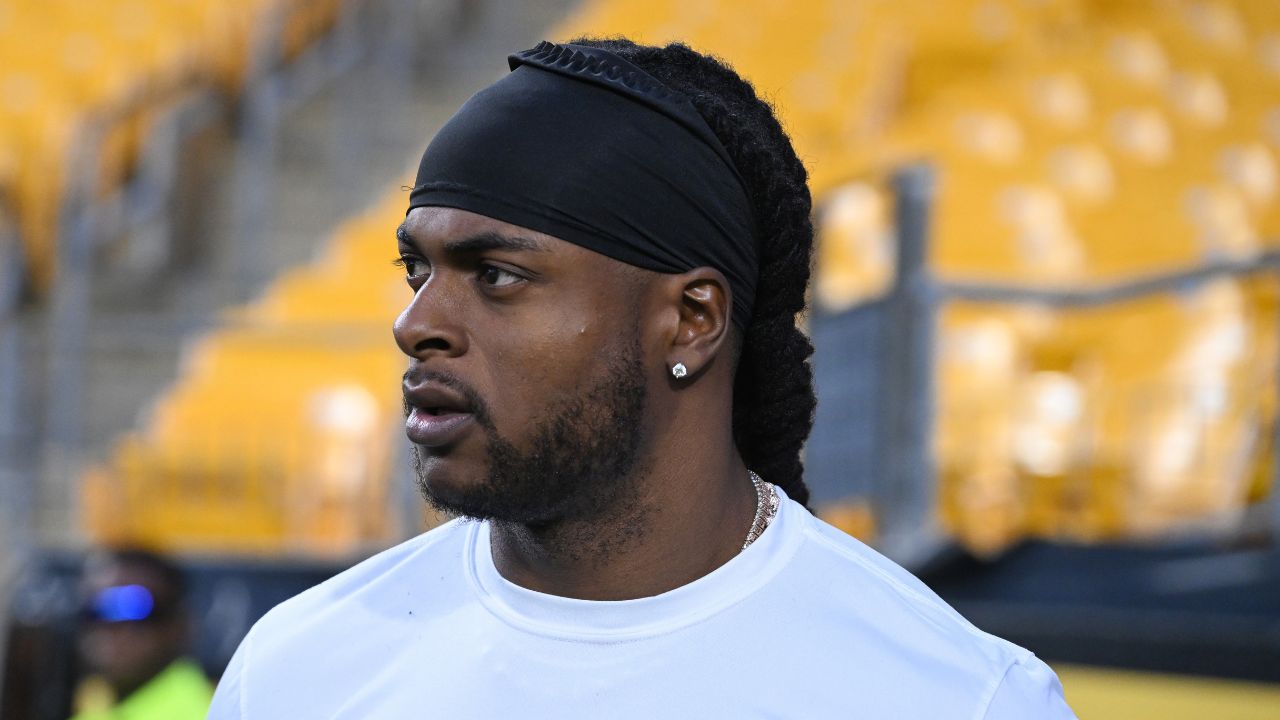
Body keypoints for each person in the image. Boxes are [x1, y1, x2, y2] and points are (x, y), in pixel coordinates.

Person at [209, 38, 1077, 718]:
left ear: (691, 320)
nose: (417, 325)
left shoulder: (953, 699)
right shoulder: (299, 671)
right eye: (418, 271)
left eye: (496, 275)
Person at [71, 549, 212, 720]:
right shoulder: (93, 704)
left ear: (179, 625)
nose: (112, 626)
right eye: (97, 609)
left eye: (134, 607)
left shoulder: (206, 713)